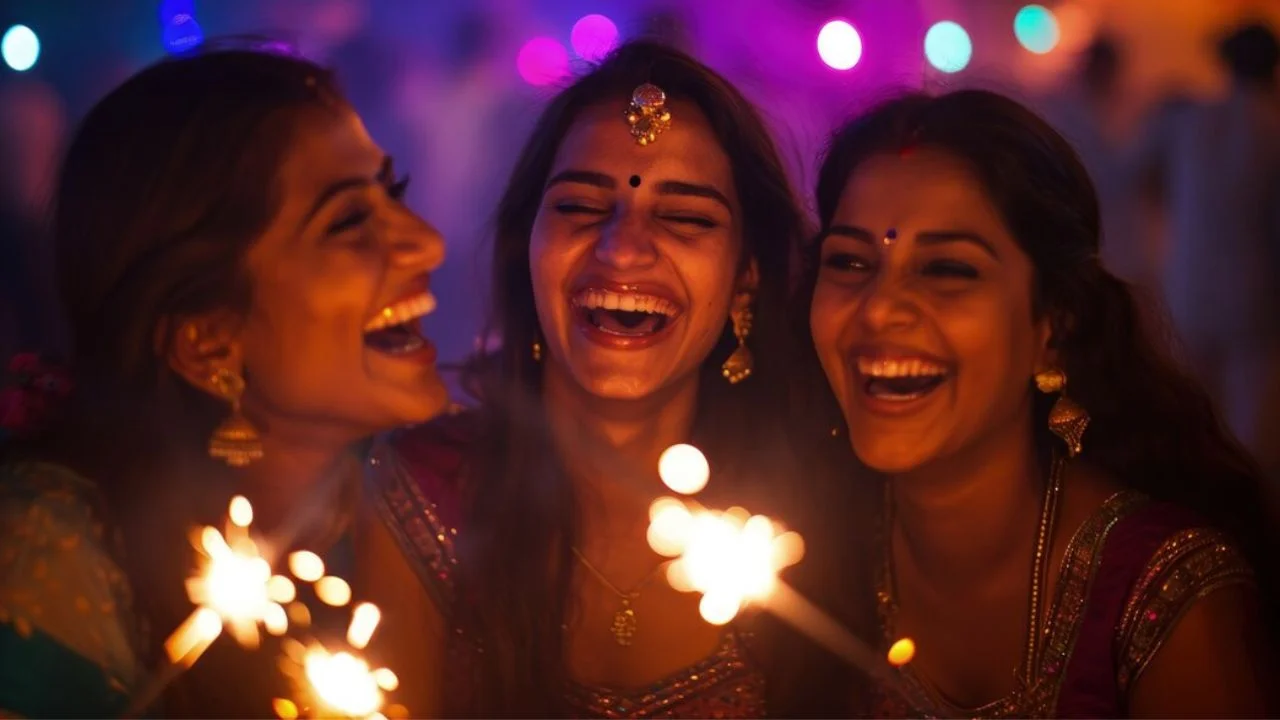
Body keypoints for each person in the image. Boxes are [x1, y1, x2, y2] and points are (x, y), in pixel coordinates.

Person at [364, 40, 852, 717]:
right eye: (578, 208)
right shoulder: (425, 490)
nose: (622, 248)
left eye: (685, 218)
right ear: (526, 247)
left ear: (748, 274)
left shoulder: (828, 514)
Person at [0, 45, 448, 717]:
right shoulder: (49, 553)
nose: (427, 243)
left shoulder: (424, 498)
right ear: (207, 342)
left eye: (395, 193)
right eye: (350, 221)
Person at [803, 89, 1278, 717]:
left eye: (947, 269)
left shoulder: (1167, 595)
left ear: (1053, 328)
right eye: (850, 260)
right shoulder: (799, 548)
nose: (879, 308)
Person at [1134, 21, 1280, 464]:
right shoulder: (1272, 128)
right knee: (1245, 434)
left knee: (1193, 421)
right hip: (1252, 295)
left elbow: (1137, 174)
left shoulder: (1188, 119)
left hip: (1188, 287)